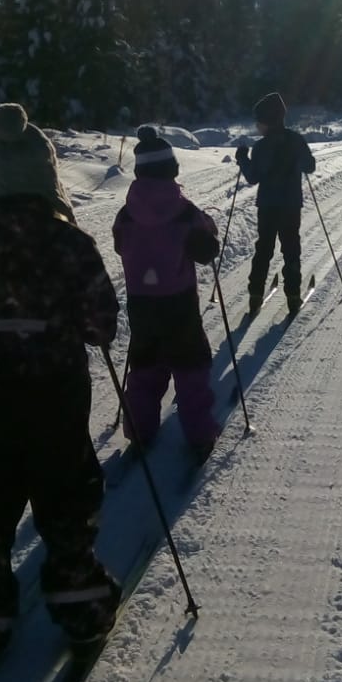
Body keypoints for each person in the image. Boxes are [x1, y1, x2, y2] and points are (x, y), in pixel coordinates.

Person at [0, 102, 121, 673]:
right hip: (55, 396)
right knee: (65, 496)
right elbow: (103, 325)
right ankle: (81, 605)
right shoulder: (70, 244)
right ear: (47, 176)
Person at [112, 125, 222, 465]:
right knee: (191, 368)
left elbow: (120, 245)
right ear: (172, 169)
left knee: (145, 368)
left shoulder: (125, 214)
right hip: (179, 305)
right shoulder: (186, 212)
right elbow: (207, 251)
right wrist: (206, 235)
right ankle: (199, 434)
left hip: (141, 305)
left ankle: (140, 430)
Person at [235, 91, 316, 315]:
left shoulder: (261, 147)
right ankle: (293, 296)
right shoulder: (296, 140)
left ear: (268, 121)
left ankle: (255, 295)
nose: (257, 126)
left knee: (264, 249)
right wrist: (300, 160)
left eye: (259, 121)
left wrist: (242, 159)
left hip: (268, 207)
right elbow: (310, 166)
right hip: (290, 206)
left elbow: (253, 177)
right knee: (291, 250)